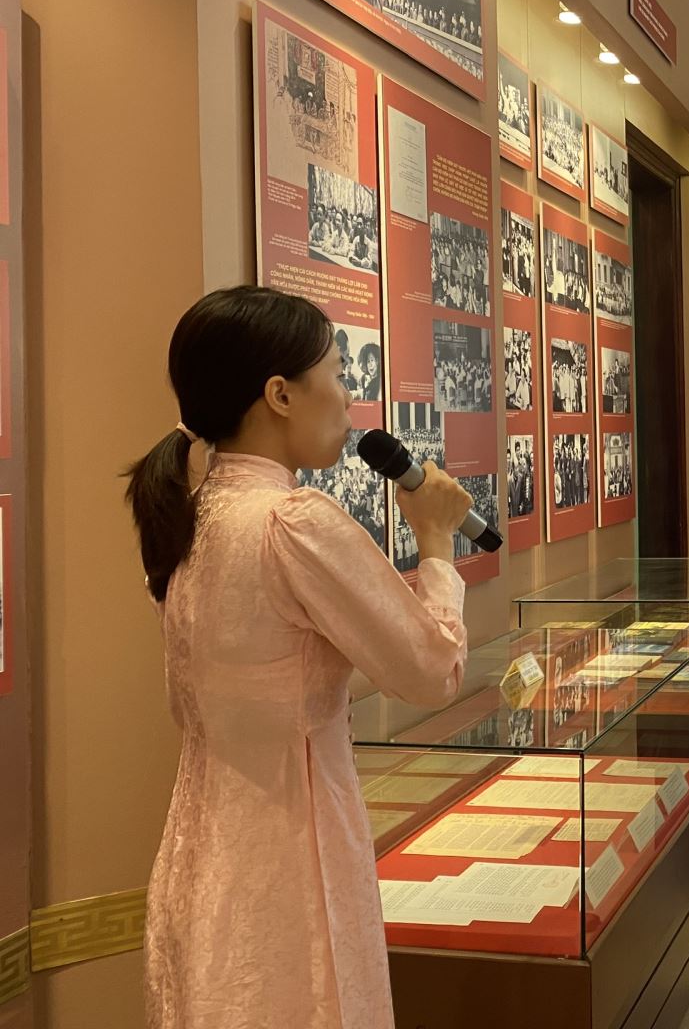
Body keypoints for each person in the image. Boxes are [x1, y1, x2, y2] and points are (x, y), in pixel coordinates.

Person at [126, 286, 473, 1029]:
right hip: (290, 860)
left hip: (201, 852)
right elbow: (432, 669)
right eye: (337, 373)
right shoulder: (292, 522)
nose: (348, 399)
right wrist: (437, 544)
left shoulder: (195, 514)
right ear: (280, 394)